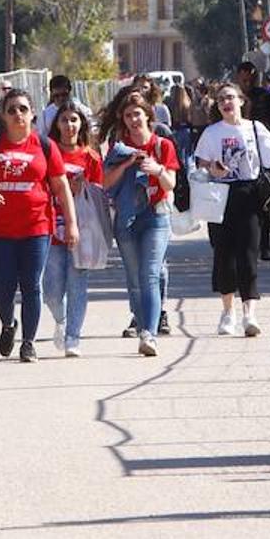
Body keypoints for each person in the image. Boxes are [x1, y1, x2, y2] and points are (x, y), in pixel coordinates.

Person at [0, 88, 78, 363]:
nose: (18, 114)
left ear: (32, 114)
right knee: (4, 288)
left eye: (23, 109)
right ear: (3, 116)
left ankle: (28, 343)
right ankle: (8, 325)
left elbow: (61, 185)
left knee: (32, 285)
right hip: (3, 231)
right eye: (11, 110)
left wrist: (72, 223)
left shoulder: (44, 145)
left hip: (37, 227)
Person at [194, 82, 270, 337]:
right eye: (221, 99)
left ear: (242, 101)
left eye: (231, 97)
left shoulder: (255, 129)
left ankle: (249, 314)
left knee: (248, 253)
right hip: (220, 196)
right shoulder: (211, 134)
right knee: (223, 254)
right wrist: (213, 168)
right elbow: (200, 168)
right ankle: (227, 312)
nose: (226, 102)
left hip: (249, 196)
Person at [102, 91, 179, 357]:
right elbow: (105, 182)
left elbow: (171, 184)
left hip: (156, 215)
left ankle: (149, 332)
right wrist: (125, 165)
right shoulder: (119, 148)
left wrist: (157, 169)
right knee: (134, 279)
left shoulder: (162, 146)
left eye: (137, 114)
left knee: (149, 274)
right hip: (126, 218)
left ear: (148, 116)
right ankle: (142, 320)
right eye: (128, 115)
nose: (133, 119)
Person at [44, 102, 104, 357]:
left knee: (77, 283)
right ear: (56, 124)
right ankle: (61, 319)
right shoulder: (48, 151)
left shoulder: (90, 156)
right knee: (52, 290)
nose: (69, 125)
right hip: (50, 227)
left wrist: (85, 185)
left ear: (82, 124)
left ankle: (73, 337)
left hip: (82, 229)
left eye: (74, 120)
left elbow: (101, 193)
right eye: (64, 120)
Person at [235, 61, 270, 260]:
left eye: (250, 76)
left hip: (261, 150)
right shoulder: (232, 96)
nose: (247, 80)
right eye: (243, 76)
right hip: (237, 153)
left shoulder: (265, 95)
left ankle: (264, 244)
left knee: (264, 198)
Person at [167, 82, 193, 163]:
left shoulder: (171, 105)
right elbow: (191, 119)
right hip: (187, 131)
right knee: (187, 155)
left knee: (178, 155)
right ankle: (187, 173)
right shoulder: (188, 104)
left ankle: (180, 172)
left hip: (176, 131)